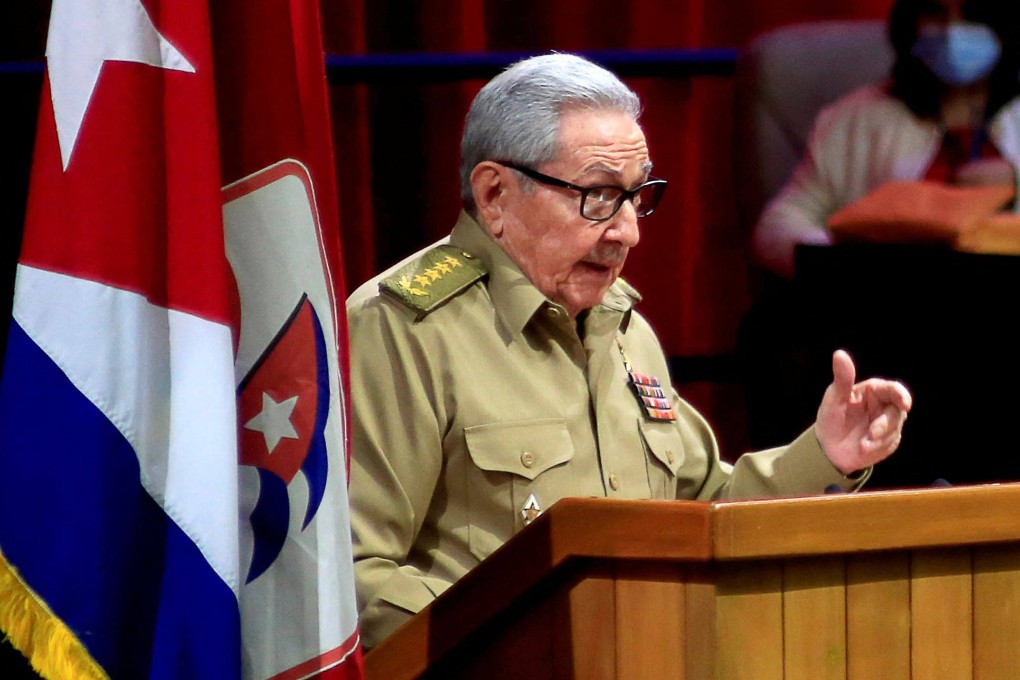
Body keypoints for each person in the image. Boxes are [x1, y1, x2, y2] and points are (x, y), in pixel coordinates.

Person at [346, 53, 913, 649]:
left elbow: (705, 517)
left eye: (636, 196)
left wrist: (826, 453)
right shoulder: (402, 329)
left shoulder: (623, 329)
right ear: (495, 195)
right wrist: (534, 643)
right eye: (597, 196)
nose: (628, 232)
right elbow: (354, 577)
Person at [753, 0, 1020, 279]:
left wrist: (1016, 178)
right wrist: (840, 263)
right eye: (935, 13)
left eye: (973, 16)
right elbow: (781, 224)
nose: (953, 32)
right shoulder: (855, 118)